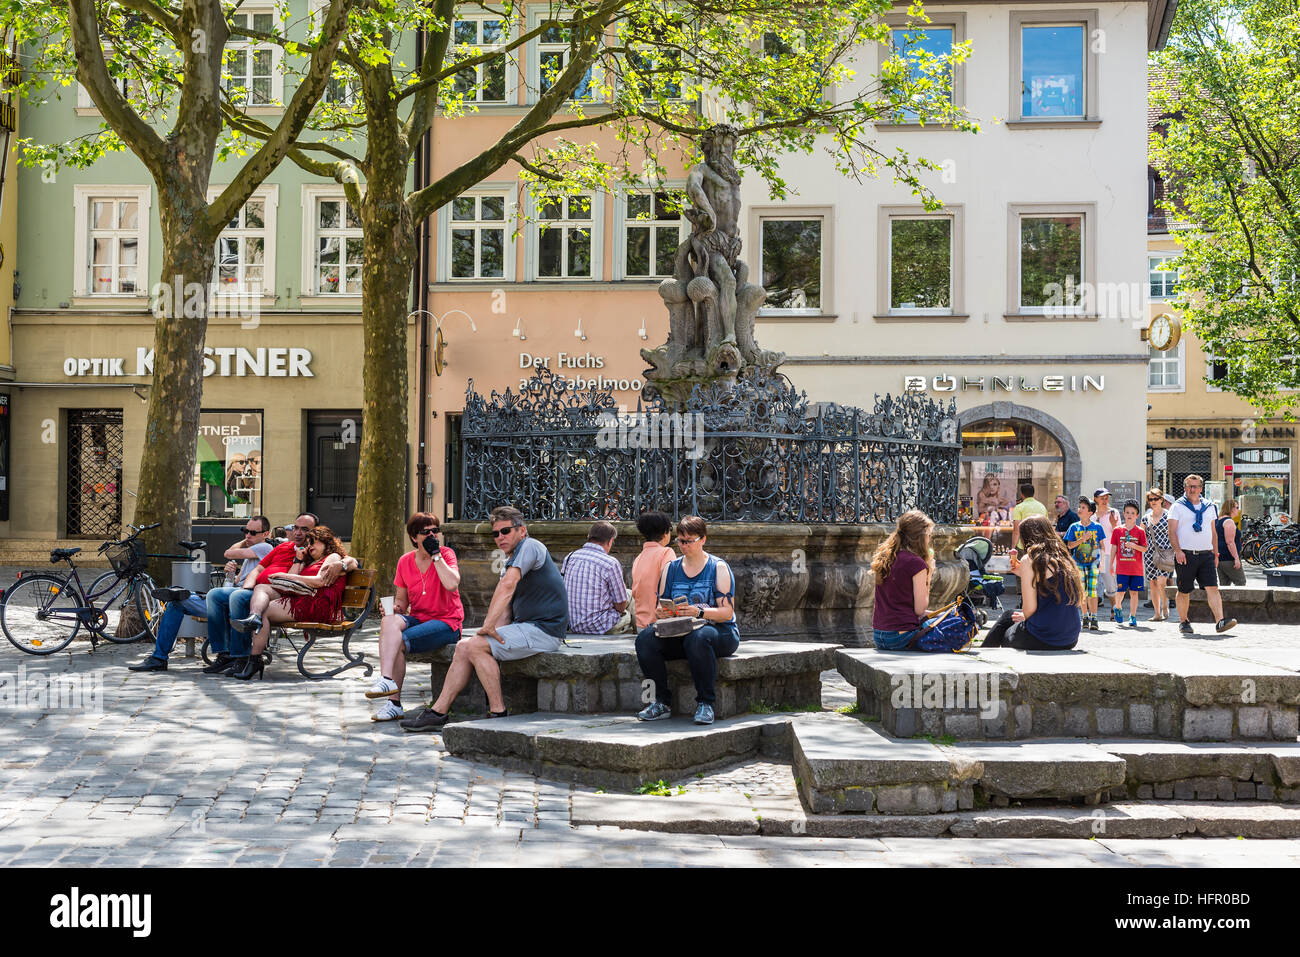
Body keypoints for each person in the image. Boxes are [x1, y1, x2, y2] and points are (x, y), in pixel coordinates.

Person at [400, 507, 568, 733]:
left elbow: (508, 587)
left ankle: (498, 712)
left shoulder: (531, 546)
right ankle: (438, 712)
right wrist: (489, 632)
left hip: (545, 631)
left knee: (475, 646)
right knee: (464, 646)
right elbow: (506, 611)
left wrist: (487, 627)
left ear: (522, 530)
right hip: (526, 628)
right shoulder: (510, 560)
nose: (500, 537)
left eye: (506, 531)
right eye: (495, 533)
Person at [127, 516, 274, 673]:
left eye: (252, 532)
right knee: (175, 603)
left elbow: (228, 553)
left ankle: (224, 654)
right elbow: (235, 582)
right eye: (245, 531)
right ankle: (159, 658)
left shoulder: (265, 548)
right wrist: (230, 575)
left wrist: (245, 541)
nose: (247, 535)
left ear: (265, 534)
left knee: (211, 596)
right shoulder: (250, 556)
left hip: (242, 601)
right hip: (226, 600)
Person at [634, 515, 739, 726]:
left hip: (719, 631)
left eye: (689, 541)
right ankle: (661, 702)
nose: (684, 546)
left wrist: (697, 612)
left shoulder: (718, 567)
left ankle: (706, 703)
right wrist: (663, 613)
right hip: (681, 630)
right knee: (645, 639)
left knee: (698, 638)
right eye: (681, 541)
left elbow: (727, 613)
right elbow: (660, 606)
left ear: (703, 540)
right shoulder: (671, 568)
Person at [367, 513, 464, 722]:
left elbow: (452, 584)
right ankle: (386, 681)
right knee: (388, 621)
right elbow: (402, 602)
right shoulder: (405, 561)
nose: (432, 535)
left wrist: (435, 555)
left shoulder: (446, 555)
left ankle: (392, 701)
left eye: (435, 531)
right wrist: (394, 608)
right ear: (413, 537)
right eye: (425, 532)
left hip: (447, 622)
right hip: (419, 618)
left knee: (398, 641)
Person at [229, 525, 349, 679]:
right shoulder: (309, 561)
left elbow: (320, 581)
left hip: (317, 604)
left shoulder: (333, 557)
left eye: (314, 542)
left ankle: (255, 659)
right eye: (308, 543)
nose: (310, 546)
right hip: (301, 598)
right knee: (261, 587)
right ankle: (254, 617)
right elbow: (289, 580)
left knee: (265, 612)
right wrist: (298, 560)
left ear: (326, 543)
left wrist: (290, 577)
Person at [981, 515, 1083, 650]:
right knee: (1008, 615)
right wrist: (1022, 572)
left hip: (1044, 637)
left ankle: (984, 654)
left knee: (1005, 630)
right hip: (1069, 638)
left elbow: (1029, 610)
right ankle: (984, 652)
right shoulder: (1064, 558)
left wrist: (1024, 616)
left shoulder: (1030, 560)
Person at [1168, 474, 1238, 635]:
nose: (1192, 490)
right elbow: (1171, 531)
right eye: (1189, 486)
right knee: (1184, 590)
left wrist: (1215, 553)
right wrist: (1178, 551)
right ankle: (1184, 621)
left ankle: (1220, 621)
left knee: (1212, 587)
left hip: (1206, 554)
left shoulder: (1209, 506)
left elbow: (1213, 532)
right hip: (1185, 554)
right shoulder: (1177, 506)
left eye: (1196, 486)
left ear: (1201, 488)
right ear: (1185, 487)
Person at [869, 509, 934, 650]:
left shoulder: (886, 558)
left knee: (942, 616)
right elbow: (920, 610)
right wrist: (929, 575)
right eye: (929, 535)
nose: (929, 539)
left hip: (880, 635)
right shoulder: (916, 564)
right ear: (921, 537)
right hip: (901, 637)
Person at [561, 521, 632, 635]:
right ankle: (639, 634)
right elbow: (621, 605)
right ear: (610, 541)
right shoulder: (610, 563)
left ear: (588, 537)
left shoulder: (570, 557)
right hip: (599, 627)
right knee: (631, 598)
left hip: (572, 624)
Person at [631, 511, 676, 631]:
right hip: (661, 623)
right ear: (666, 532)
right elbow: (670, 584)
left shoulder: (639, 558)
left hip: (641, 624)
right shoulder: (666, 553)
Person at [1064, 498, 1105, 630]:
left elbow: (1102, 546)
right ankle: (1085, 615)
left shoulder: (1097, 527)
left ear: (1090, 512)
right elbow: (1070, 546)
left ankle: (1094, 617)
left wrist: (1102, 562)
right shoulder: (1074, 527)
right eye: (1079, 507)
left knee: (1092, 591)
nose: (1080, 509)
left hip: (1093, 563)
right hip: (1078, 563)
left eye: (1083, 508)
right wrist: (1082, 539)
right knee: (1082, 591)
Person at [1110, 499, 1148, 628]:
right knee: (1120, 592)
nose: (1130, 515)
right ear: (1124, 514)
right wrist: (1110, 564)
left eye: (1133, 513)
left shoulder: (1140, 531)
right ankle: (1118, 607)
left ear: (1137, 515)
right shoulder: (1117, 530)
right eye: (1127, 512)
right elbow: (1114, 548)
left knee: (1134, 593)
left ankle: (1133, 616)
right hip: (1122, 568)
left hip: (1136, 569)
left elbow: (1144, 548)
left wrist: (1133, 545)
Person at [1093, 487, 1123, 623]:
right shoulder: (1091, 514)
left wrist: (1114, 524)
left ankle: (1114, 608)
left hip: (1109, 552)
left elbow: (1120, 534)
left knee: (1110, 584)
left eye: (1106, 498)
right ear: (1095, 499)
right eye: (1102, 498)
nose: (1105, 500)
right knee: (1091, 583)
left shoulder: (1114, 512)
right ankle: (1090, 614)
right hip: (1094, 552)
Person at [1142, 488, 1173, 622]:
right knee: (1153, 583)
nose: (1153, 502)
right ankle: (1156, 613)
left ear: (1161, 500)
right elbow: (1141, 536)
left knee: (1161, 581)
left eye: (1156, 499)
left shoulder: (1169, 515)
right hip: (1150, 553)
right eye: (1151, 499)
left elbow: (1174, 532)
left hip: (1166, 553)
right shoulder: (1145, 517)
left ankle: (1165, 606)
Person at [1216, 499, 1247, 587]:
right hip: (1229, 558)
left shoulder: (1219, 520)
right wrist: (1236, 558)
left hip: (1220, 558)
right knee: (1241, 582)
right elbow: (1230, 542)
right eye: (1237, 507)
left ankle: (1223, 601)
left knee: (1224, 585)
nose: (1238, 510)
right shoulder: (1229, 521)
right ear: (1231, 509)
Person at [1011, 482, 1048, 550]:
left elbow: (1016, 530)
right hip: (1039, 545)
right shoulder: (1042, 506)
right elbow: (1046, 527)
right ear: (1033, 493)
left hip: (1023, 545)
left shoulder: (1019, 507)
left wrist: (1013, 548)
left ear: (1021, 494)